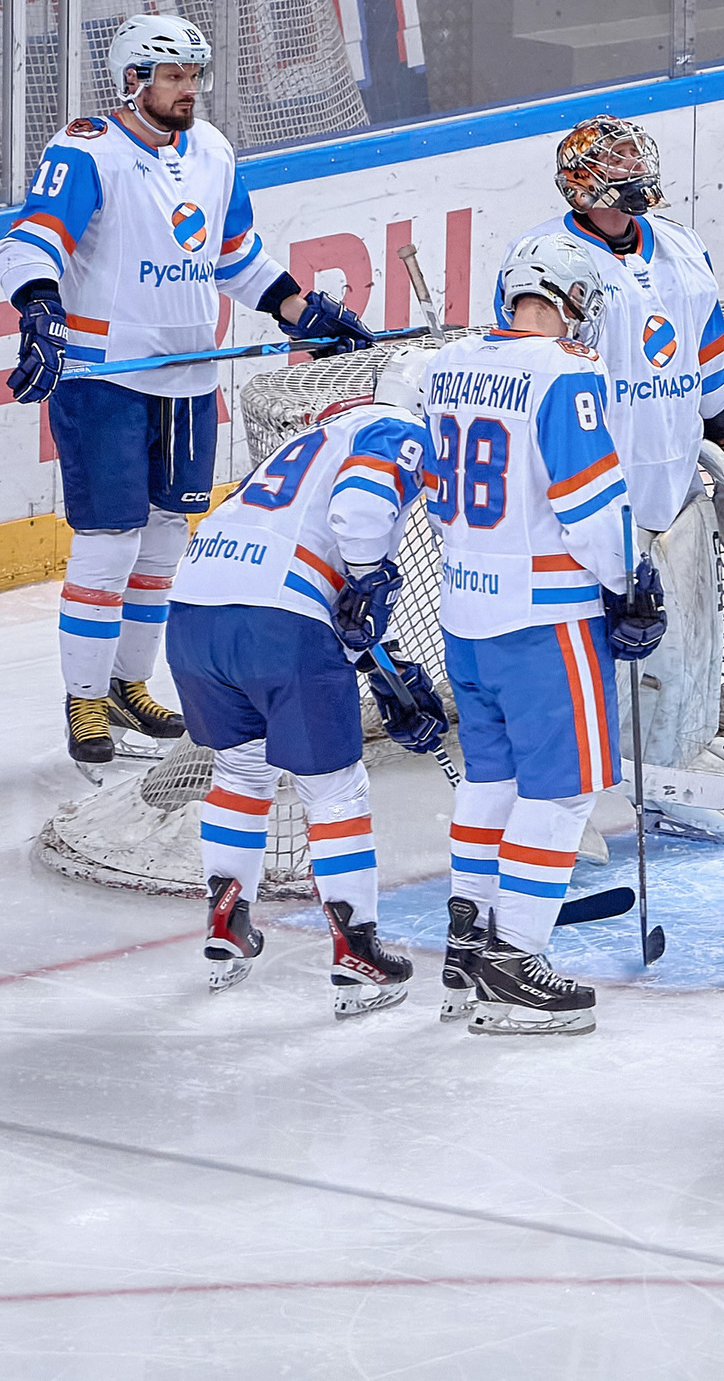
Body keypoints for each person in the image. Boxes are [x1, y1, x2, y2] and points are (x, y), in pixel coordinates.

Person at [0, 13, 375, 771]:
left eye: (194, 76)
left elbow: (233, 257)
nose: (187, 90)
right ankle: (85, 700)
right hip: (105, 378)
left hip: (190, 376)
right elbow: (31, 238)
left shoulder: (213, 150)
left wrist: (301, 310)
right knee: (108, 545)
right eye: (172, 77)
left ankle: (131, 684)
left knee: (166, 541)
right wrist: (38, 308)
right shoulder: (87, 149)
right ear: (132, 81)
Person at [499, 115, 724, 840]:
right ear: (582, 178)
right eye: (619, 160)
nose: (635, 169)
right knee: (591, 652)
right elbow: (534, 377)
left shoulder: (682, 246)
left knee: (686, 646)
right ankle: (578, 794)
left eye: (637, 155)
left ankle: (665, 781)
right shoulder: (549, 257)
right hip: (590, 493)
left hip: (675, 483)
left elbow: (710, 359)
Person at [425, 234, 665, 1036]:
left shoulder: (447, 366)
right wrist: (629, 578)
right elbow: (591, 506)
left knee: (490, 782)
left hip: (464, 613)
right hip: (545, 621)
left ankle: (468, 942)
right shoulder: (565, 373)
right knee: (561, 793)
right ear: (571, 300)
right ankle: (514, 962)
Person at [165, 351, 444, 1014]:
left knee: (243, 770)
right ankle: (357, 954)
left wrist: (383, 661)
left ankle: (227, 926)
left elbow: (313, 573)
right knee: (335, 786)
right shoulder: (396, 427)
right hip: (278, 624)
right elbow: (359, 513)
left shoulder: (309, 441)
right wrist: (374, 578)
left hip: (194, 615)